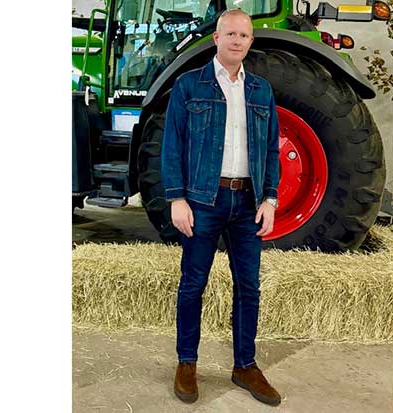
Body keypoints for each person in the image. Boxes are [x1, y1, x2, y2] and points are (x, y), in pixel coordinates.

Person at [160, 8, 282, 406]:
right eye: (230, 34)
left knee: (249, 286)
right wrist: (177, 198)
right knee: (193, 284)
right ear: (216, 38)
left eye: (244, 35)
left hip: (247, 202)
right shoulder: (188, 85)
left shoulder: (261, 90)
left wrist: (270, 199)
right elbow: (172, 145)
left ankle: (245, 365)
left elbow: (271, 149)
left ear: (250, 42)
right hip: (203, 200)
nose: (237, 40)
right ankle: (187, 363)